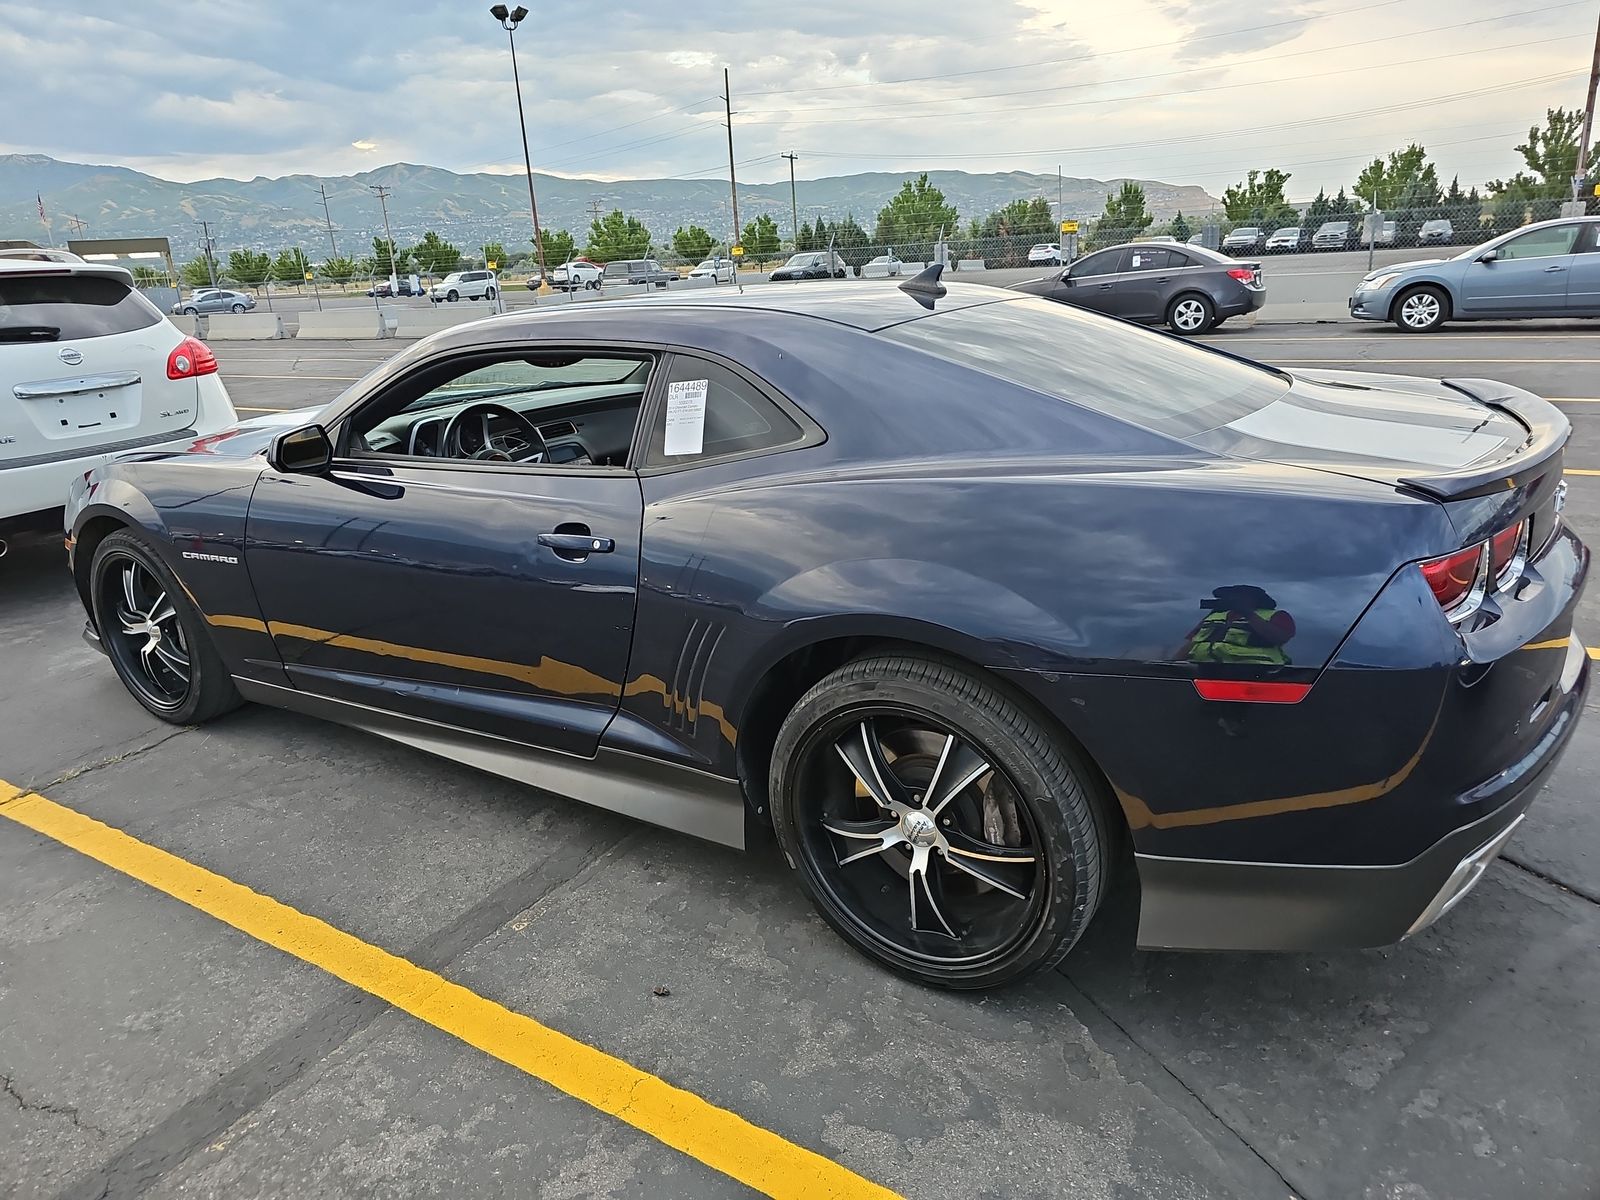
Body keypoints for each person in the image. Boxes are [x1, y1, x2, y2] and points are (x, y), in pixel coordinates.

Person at [1183, 584, 1296, 665]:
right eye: (1230, 596)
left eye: (1239, 595)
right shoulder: (1214, 616)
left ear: (1256, 599)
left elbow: (1279, 638)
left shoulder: (1277, 615)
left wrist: (1247, 613)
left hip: (1258, 674)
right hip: (1202, 672)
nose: (1233, 598)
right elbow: (1192, 643)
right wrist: (1172, 667)